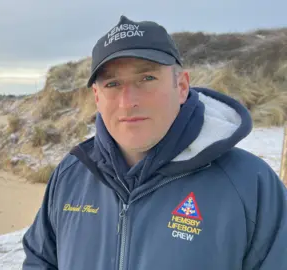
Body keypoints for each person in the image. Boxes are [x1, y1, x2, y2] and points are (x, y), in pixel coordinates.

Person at [21, 15, 287, 270]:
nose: (128, 102)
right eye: (112, 84)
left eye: (147, 78)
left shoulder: (249, 185)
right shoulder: (71, 175)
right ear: (97, 97)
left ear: (182, 86)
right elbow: (39, 260)